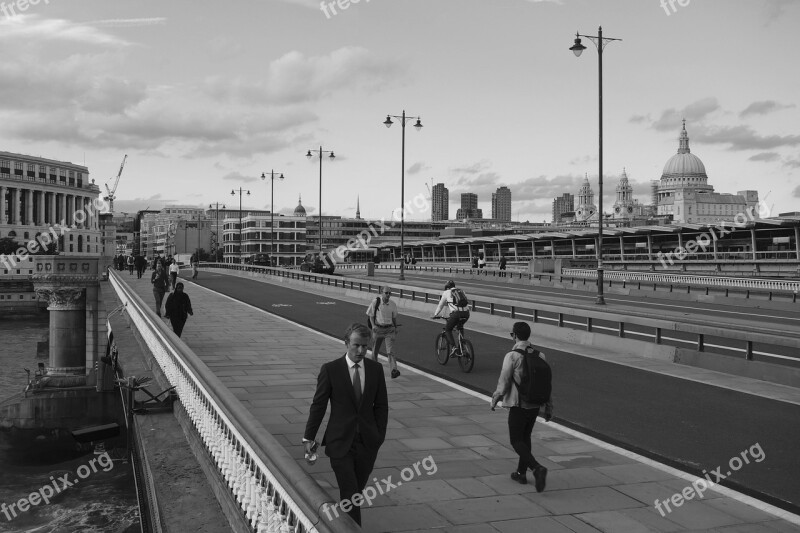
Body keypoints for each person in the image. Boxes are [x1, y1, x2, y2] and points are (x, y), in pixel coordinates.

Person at [303, 323, 388, 526]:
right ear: (346, 343)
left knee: (355, 495)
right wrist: (309, 437)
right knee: (350, 493)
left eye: (365, 347)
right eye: (356, 345)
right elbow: (319, 405)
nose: (360, 351)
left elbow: (381, 406)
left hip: (367, 443)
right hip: (340, 443)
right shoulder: (331, 370)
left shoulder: (376, 370)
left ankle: (344, 526)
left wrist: (379, 436)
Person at [490, 321, 553, 492]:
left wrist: (496, 398)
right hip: (534, 405)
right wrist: (548, 406)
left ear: (515, 335)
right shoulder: (540, 356)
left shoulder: (512, 356)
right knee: (525, 438)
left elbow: (504, 381)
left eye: (512, 334)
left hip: (518, 404)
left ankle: (537, 468)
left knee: (516, 440)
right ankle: (521, 473)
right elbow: (545, 383)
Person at [366, 287, 400, 379]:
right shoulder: (375, 302)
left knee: (390, 351)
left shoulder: (393, 304)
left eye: (390, 293)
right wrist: (373, 326)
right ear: (381, 293)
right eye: (386, 293)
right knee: (375, 351)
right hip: (378, 329)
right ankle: (374, 369)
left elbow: (394, 318)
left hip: (389, 330)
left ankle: (394, 370)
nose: (388, 295)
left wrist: (395, 327)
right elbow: (370, 316)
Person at [431, 280, 470, 357]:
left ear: (447, 287)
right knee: (460, 327)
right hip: (466, 314)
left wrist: (435, 314)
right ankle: (462, 346)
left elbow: (440, 305)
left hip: (456, 314)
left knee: (448, 329)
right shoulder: (461, 291)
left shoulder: (446, 292)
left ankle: (454, 348)